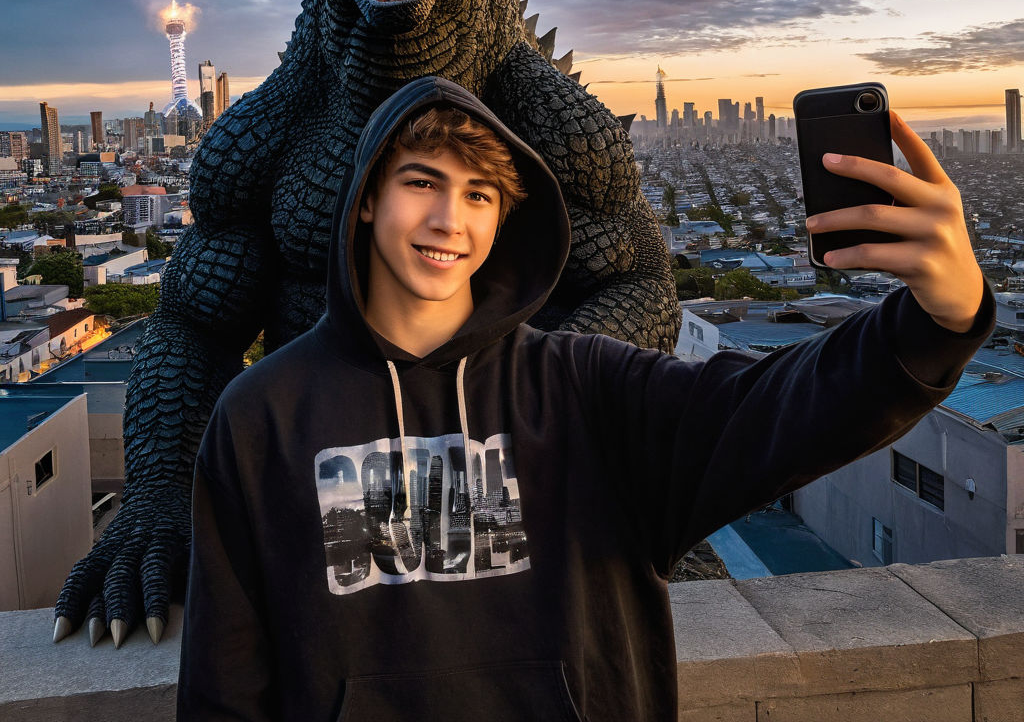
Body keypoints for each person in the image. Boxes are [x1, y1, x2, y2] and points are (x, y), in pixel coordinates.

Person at [177, 76, 993, 721]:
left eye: (478, 195)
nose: (446, 218)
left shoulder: (588, 390)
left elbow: (777, 405)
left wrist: (936, 319)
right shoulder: (261, 417)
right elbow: (225, 684)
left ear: (502, 220)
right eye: (421, 182)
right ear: (365, 199)